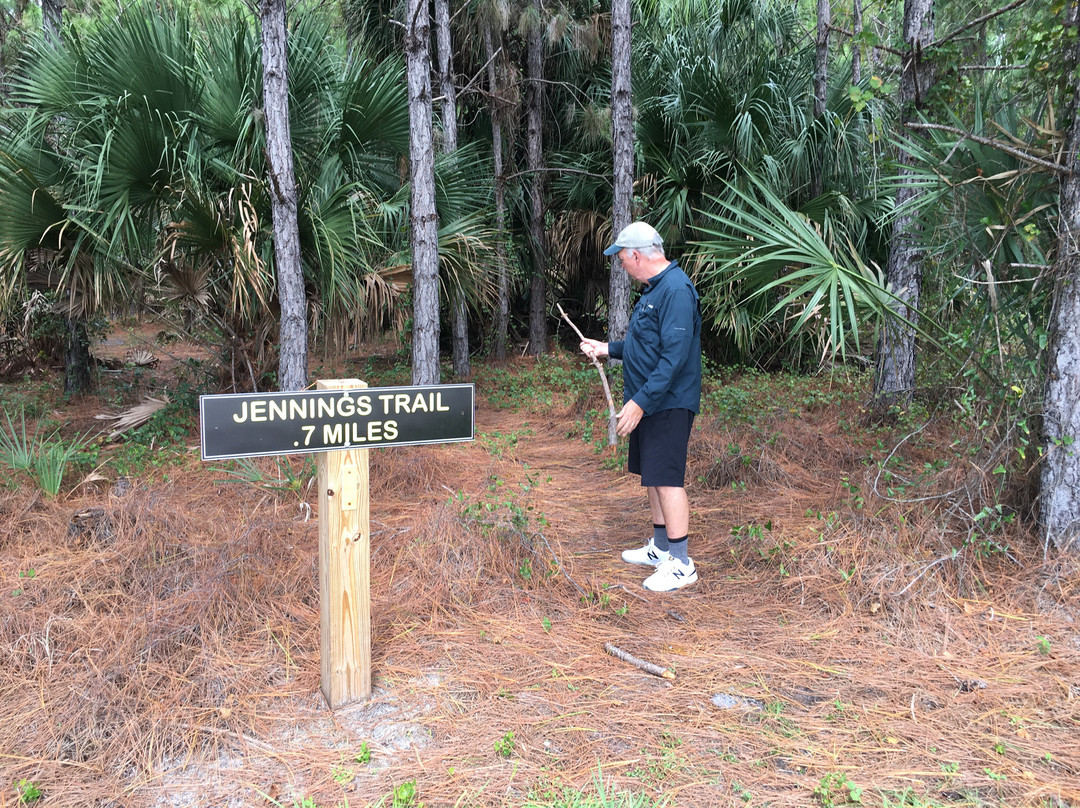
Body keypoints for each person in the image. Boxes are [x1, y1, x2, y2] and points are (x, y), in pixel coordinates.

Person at [580, 221, 702, 592]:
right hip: (649, 400)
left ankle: (681, 564)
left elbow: (674, 358)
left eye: (621, 259)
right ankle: (661, 548)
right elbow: (643, 345)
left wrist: (639, 403)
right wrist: (606, 348)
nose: (621, 266)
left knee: (666, 478)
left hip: (667, 403)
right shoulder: (654, 290)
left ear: (635, 255)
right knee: (652, 475)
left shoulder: (677, 291)